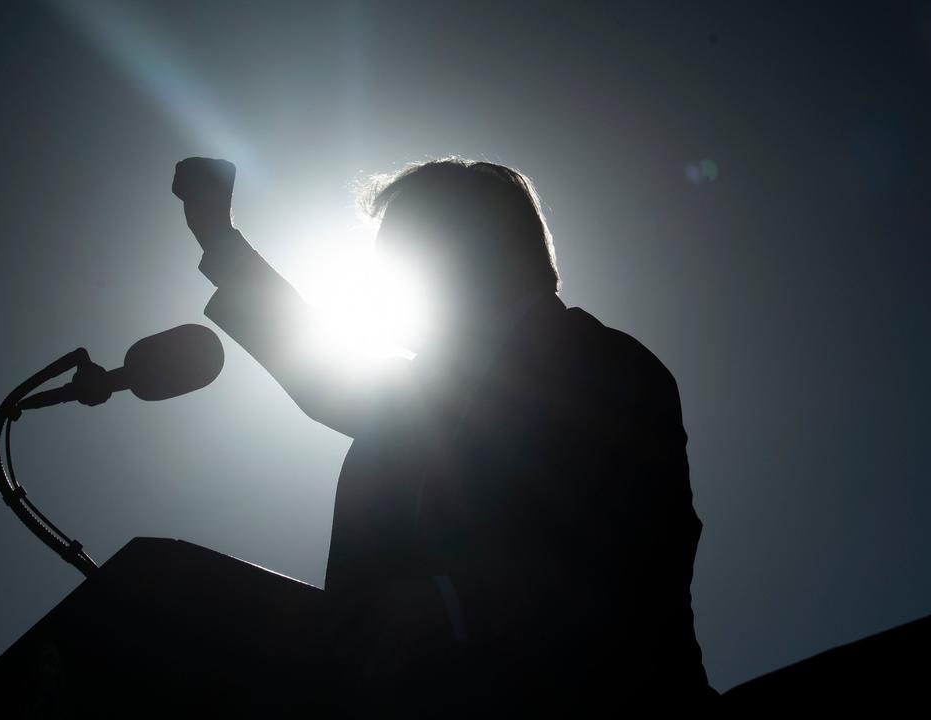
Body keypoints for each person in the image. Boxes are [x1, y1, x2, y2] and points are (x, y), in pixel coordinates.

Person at [171, 156, 719, 716]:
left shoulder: (605, 364)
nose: (384, 280)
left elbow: (636, 548)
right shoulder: (422, 395)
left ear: (478, 248)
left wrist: (449, 604)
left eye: (403, 256)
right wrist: (217, 236)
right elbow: (317, 370)